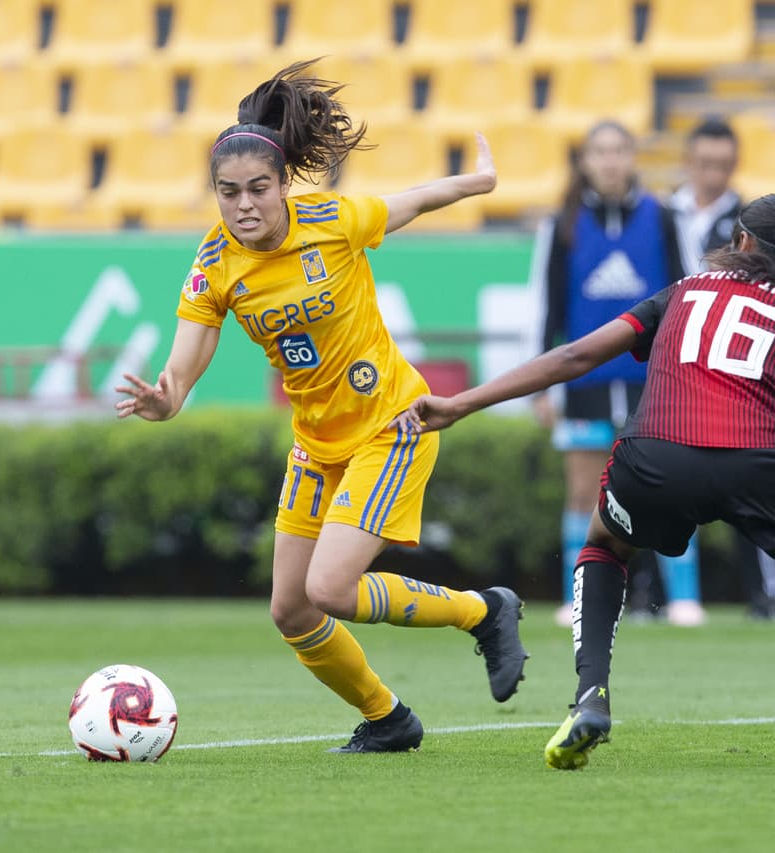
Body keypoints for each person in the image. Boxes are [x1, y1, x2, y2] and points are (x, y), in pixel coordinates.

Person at [396, 193, 775, 773]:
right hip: (759, 464)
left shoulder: (684, 292)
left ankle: (590, 698)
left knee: (603, 547)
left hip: (659, 456)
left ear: (741, 240)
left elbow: (573, 357)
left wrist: (463, 403)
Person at [114, 60, 528, 753]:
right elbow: (185, 359)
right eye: (227, 193)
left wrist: (477, 182)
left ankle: (484, 610)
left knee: (332, 589)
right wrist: (168, 396)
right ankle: (387, 717)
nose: (244, 205)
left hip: (394, 424)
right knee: (291, 608)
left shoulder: (333, 221)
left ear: (282, 186)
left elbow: (413, 201)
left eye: (257, 189)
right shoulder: (214, 262)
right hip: (317, 441)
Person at [533, 118, 705, 627]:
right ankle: (579, 595)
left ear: (633, 157)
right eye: (599, 151)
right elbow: (547, 308)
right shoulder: (560, 224)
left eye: (618, 151)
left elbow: (689, 296)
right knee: (584, 492)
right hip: (585, 382)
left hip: (654, 380)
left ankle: (684, 598)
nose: (609, 161)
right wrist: (543, 386)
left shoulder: (667, 217)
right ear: (585, 161)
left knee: (669, 485)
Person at [670, 116, 775, 621]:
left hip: (731, 362)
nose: (712, 173)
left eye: (722, 164)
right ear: (688, 161)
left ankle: (762, 593)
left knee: (746, 477)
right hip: (675, 358)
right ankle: (662, 597)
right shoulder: (660, 213)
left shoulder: (750, 221)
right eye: (704, 163)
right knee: (661, 478)